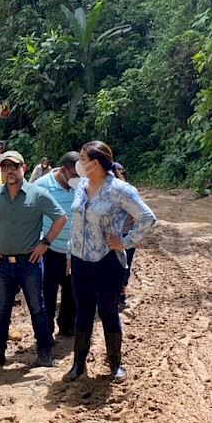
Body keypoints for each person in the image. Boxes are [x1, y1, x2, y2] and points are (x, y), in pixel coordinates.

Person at [64, 141, 156, 383]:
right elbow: (76, 222)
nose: (79, 164)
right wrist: (69, 253)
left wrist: (125, 241)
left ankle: (115, 364)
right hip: (80, 259)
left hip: (106, 261)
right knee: (82, 312)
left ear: (94, 164)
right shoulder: (82, 185)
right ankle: (78, 365)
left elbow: (147, 217)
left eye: (82, 159)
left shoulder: (119, 190)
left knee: (108, 312)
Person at [0, 150, 67, 369]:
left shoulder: (38, 194)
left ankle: (43, 350)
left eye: (13, 167)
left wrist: (45, 244)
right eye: (5, 167)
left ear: (23, 168)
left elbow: (60, 218)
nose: (9, 171)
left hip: (30, 263)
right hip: (2, 263)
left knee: (37, 307)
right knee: (2, 309)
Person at [32, 151, 80, 337]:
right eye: (74, 176)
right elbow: (32, 216)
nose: (78, 180)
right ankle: (46, 332)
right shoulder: (41, 186)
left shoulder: (83, 186)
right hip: (49, 248)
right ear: (63, 170)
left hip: (75, 248)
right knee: (47, 293)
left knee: (73, 290)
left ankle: (67, 326)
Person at [112, 162, 135, 309]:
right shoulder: (101, 190)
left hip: (125, 234)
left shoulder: (130, 191)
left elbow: (140, 216)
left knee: (124, 266)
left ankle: (122, 292)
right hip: (113, 235)